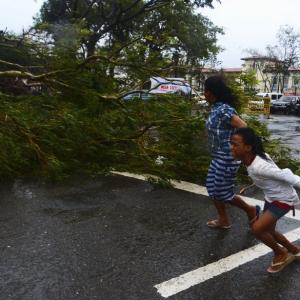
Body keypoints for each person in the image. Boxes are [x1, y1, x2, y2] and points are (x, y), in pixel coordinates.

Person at [231, 127, 300, 273]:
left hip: (283, 200)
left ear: (248, 148)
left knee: (257, 228)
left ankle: (280, 253)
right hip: (272, 197)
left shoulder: (259, 166)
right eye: (231, 143)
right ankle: (294, 249)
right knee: (268, 230)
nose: (231, 148)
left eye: (235, 144)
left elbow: (287, 175)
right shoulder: (252, 157)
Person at [204, 75, 260, 229]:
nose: (204, 94)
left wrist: (238, 147)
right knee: (212, 188)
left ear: (210, 92)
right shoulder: (216, 108)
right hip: (217, 155)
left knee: (222, 192)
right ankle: (223, 220)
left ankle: (251, 210)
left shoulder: (224, 109)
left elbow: (244, 126)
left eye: (205, 90)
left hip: (227, 157)